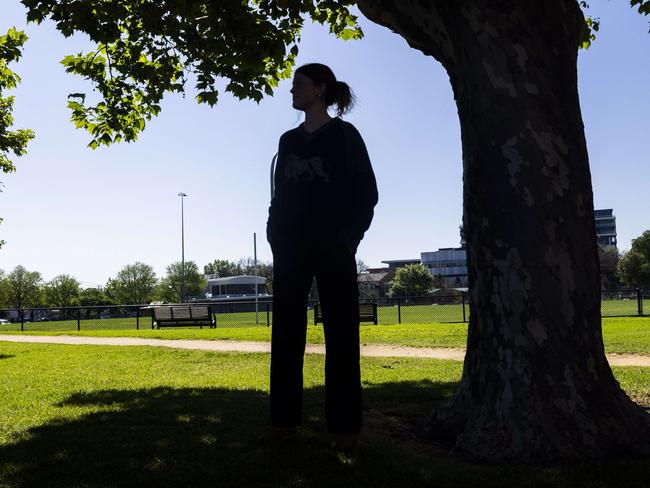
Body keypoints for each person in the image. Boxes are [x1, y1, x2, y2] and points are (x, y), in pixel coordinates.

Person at [262, 63, 378, 451]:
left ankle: (344, 429)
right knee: (286, 337)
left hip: (334, 249)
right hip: (291, 251)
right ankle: (283, 423)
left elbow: (367, 193)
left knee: (342, 337)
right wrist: (276, 236)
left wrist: (348, 240)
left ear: (319, 90)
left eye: (299, 85)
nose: (292, 91)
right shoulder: (287, 141)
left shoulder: (345, 136)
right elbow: (278, 196)